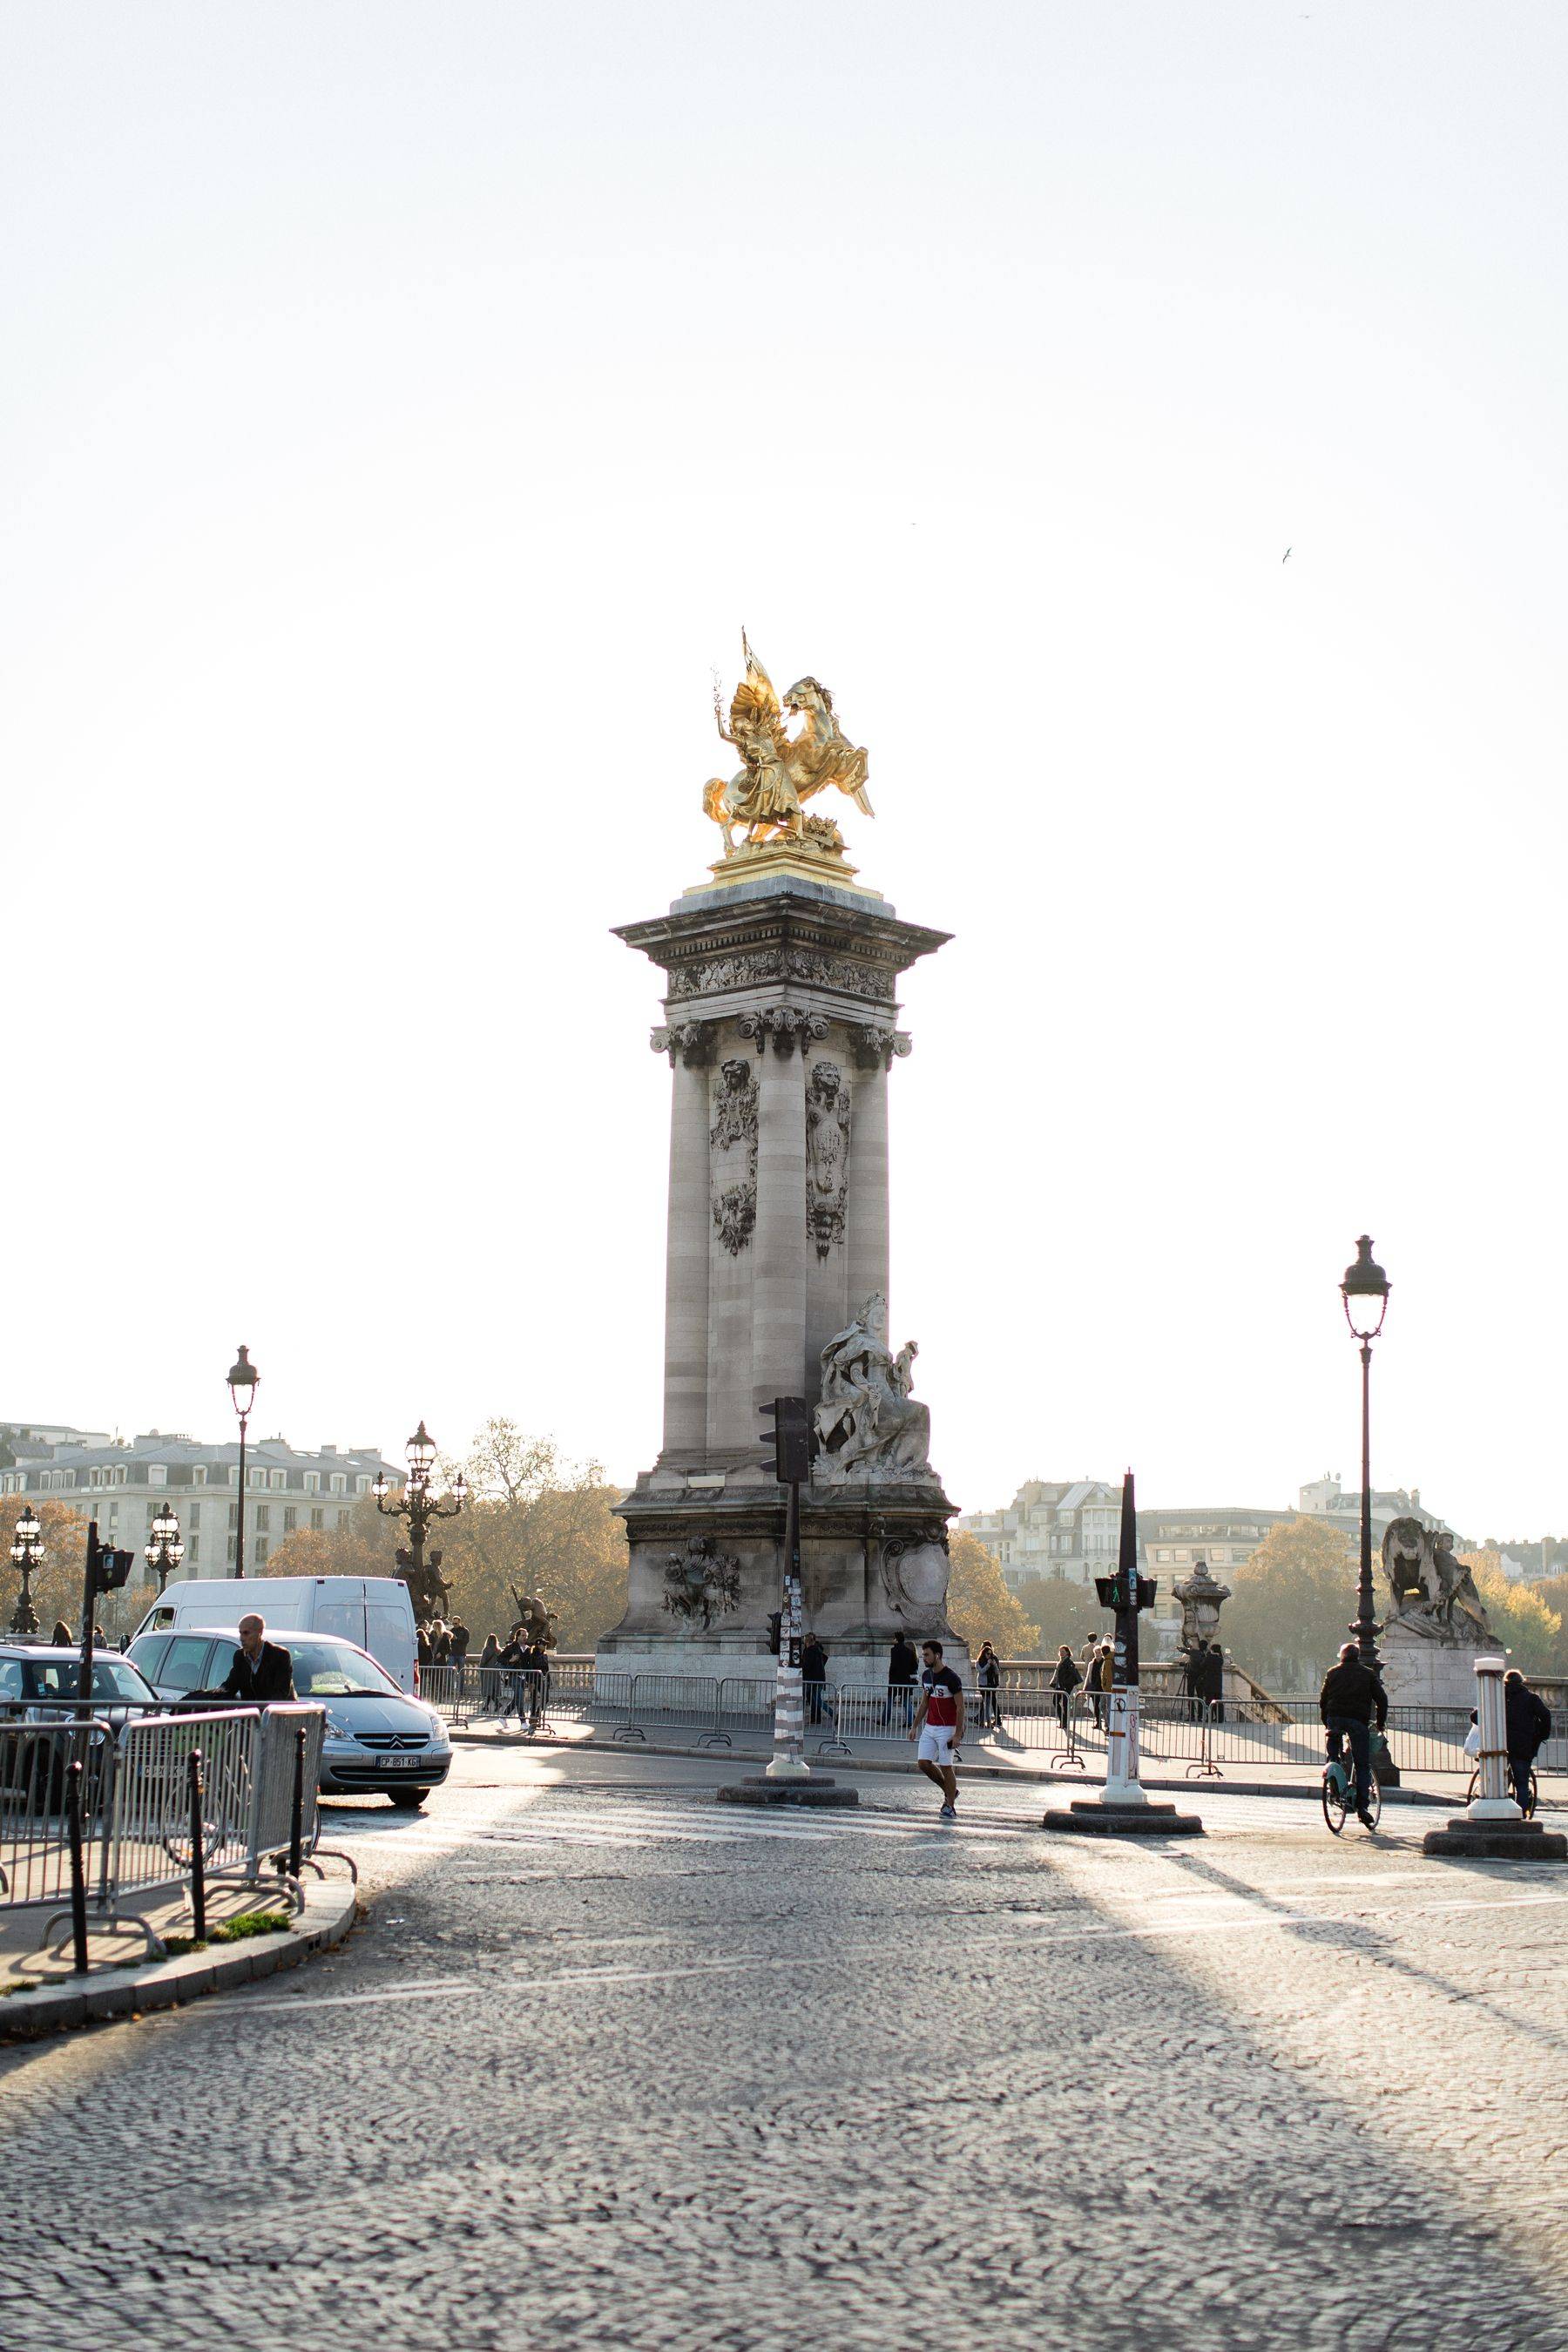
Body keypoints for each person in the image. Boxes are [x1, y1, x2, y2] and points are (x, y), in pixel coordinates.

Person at [1318, 1640, 1387, 1827]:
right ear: (1357, 1657)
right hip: (1357, 1721)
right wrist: (1380, 1723)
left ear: (1341, 1657)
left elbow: (1323, 1701)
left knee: (1332, 1755)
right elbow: (1382, 1699)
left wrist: (1327, 1723)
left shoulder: (1332, 1673)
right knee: (1362, 1764)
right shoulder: (1367, 1674)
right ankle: (1363, 1807)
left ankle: (1334, 1790)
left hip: (1335, 1719)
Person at [910, 1637, 965, 1820]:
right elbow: (924, 1703)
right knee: (923, 1763)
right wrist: (915, 1726)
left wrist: (957, 1733)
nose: (923, 1658)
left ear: (937, 1655)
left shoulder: (952, 1678)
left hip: (947, 1728)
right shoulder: (926, 1676)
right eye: (922, 1655)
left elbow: (960, 1707)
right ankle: (950, 1791)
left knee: (946, 1766)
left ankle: (950, 1805)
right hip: (930, 1726)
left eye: (926, 1655)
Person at [1504, 1669, 1552, 1815]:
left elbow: (1476, 1716)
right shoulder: (1531, 1699)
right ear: (1522, 1683)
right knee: (1522, 1784)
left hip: (1500, 1746)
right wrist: (1540, 1736)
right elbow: (1546, 1715)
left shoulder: (1498, 1698)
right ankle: (1520, 1815)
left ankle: (1498, 1807)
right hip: (1523, 1746)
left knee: (1498, 1781)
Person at [219, 1613, 296, 1704]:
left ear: (260, 1632)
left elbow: (281, 1693)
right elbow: (230, 1686)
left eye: (246, 1633)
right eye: (240, 1633)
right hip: (252, 1715)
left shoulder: (280, 1655)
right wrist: (210, 1695)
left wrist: (262, 1711)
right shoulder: (240, 1656)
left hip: (279, 1715)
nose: (241, 1638)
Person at [885, 1632, 919, 1729]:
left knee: (893, 1700)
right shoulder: (910, 1654)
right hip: (907, 1680)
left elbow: (894, 1667)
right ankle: (910, 1720)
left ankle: (885, 1721)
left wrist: (891, 1677)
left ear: (896, 1639)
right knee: (905, 1701)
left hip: (899, 1680)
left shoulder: (896, 1651)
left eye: (894, 1638)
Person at [1049, 1643, 1081, 1730]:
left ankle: (1064, 1723)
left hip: (1065, 1687)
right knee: (1055, 1702)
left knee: (1065, 1705)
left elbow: (1072, 1676)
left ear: (1067, 1652)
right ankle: (1062, 1721)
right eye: (1060, 1651)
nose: (1062, 1653)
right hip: (1059, 1686)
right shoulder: (1060, 1662)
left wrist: (1067, 1686)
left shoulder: (1069, 1662)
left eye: (1063, 1651)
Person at [801, 1633, 828, 1726]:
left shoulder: (809, 1651)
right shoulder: (818, 1650)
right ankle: (816, 1719)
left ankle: (833, 1714)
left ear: (807, 1642)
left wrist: (800, 1664)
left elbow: (807, 1666)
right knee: (814, 1699)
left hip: (811, 1679)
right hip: (819, 1678)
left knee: (811, 1699)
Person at [974, 1641, 1002, 1732]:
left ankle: (982, 1721)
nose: (989, 1656)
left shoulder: (993, 1660)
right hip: (983, 1685)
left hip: (991, 1684)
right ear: (984, 1653)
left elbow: (997, 1672)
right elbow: (981, 1671)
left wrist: (994, 1665)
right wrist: (987, 1665)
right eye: (988, 1654)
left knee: (987, 1703)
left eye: (991, 1654)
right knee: (987, 1703)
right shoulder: (979, 1662)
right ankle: (988, 1723)